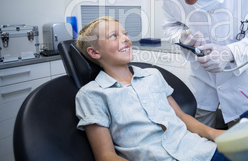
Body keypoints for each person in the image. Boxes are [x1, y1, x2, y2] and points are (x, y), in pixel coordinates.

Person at [75, 16, 228, 160]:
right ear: (94, 52)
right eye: (114, 36)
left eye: (125, 33)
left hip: (201, 151)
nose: (126, 39)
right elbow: (106, 156)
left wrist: (214, 134)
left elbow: (181, 117)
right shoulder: (91, 95)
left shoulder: (152, 75)